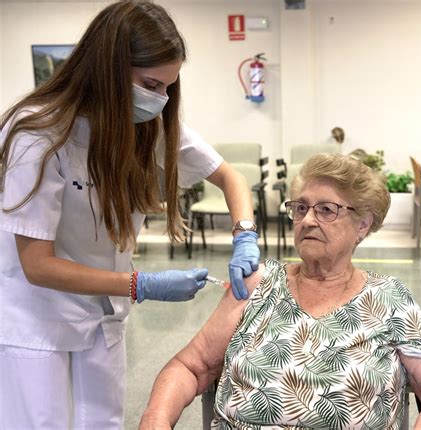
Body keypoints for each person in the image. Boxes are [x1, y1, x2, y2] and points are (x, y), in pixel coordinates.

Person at [0, 2, 259, 428]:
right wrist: (141, 284)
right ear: (108, 67)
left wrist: (244, 234)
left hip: (102, 317)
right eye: (150, 84)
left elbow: (230, 177)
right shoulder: (37, 132)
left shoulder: (148, 126)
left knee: (103, 421)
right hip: (37, 320)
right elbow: (37, 265)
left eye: (167, 89)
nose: (159, 100)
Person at [139, 153, 421, 430]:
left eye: (326, 209)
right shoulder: (258, 284)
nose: (307, 220)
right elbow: (190, 367)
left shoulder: (389, 299)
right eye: (301, 208)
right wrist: (156, 421)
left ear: (363, 224)